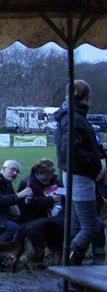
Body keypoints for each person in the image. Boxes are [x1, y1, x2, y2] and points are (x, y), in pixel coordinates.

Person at [53, 79, 107, 266]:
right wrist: (94, 160)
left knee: (76, 226)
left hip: (75, 175)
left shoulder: (71, 116)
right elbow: (72, 150)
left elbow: (79, 145)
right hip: (80, 177)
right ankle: (71, 264)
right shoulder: (74, 118)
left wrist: (99, 151)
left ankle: (68, 269)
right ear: (88, 96)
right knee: (91, 228)